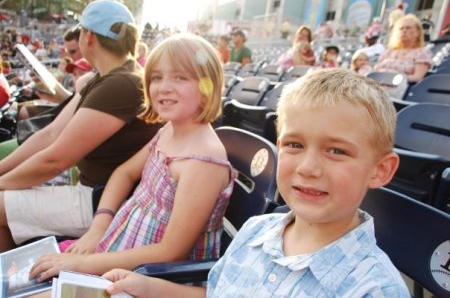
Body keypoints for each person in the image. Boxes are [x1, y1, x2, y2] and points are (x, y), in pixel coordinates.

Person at [101, 68, 410, 297]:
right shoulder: (257, 230)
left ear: (380, 170)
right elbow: (219, 292)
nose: (308, 167)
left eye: (337, 151)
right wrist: (150, 287)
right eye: (294, 145)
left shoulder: (373, 289)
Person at [27, 33, 235, 288]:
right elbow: (123, 173)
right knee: (27, 274)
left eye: (180, 77)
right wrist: (97, 229)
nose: (164, 86)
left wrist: (81, 264)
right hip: (117, 244)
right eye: (157, 77)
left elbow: (171, 252)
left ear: (207, 87)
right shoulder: (170, 129)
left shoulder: (203, 161)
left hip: (149, 276)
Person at [0, 0, 160, 252]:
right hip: (94, 194)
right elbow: (50, 134)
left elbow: (55, 160)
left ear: (89, 37)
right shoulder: (107, 78)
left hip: (101, 203)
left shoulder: (121, 84)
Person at [375, 14, 432, 82]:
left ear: (417, 32)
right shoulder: (389, 51)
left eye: (408, 28)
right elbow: (375, 71)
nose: (404, 31)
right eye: (401, 28)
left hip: (400, 89)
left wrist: (392, 79)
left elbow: (417, 77)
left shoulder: (422, 53)